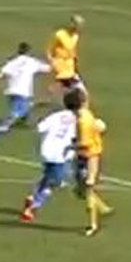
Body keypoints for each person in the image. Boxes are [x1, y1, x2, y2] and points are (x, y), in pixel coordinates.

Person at [19, 90, 79, 224]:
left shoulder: (55, 116)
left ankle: (32, 197)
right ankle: (32, 206)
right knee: (55, 182)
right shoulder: (77, 120)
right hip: (60, 154)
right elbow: (76, 138)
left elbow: (40, 128)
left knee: (47, 177)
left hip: (46, 151)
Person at [0, 42, 51, 150]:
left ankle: (24, 118)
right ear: (28, 51)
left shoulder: (13, 62)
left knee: (24, 109)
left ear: (19, 51)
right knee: (13, 117)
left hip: (12, 92)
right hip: (23, 93)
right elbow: (49, 68)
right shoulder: (32, 62)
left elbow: (0, 74)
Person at [75, 90, 113, 237]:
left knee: (88, 188)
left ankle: (93, 225)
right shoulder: (85, 114)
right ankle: (103, 209)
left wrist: (71, 146)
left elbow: (84, 144)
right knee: (80, 191)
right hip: (85, 157)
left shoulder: (83, 120)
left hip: (89, 157)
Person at [46, 14, 85, 93]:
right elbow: (50, 49)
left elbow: (73, 51)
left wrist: (75, 64)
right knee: (67, 84)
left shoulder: (76, 36)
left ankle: (48, 94)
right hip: (60, 63)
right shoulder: (60, 34)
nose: (78, 28)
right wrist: (51, 61)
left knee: (67, 85)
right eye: (77, 25)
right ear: (72, 24)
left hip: (70, 64)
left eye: (80, 25)